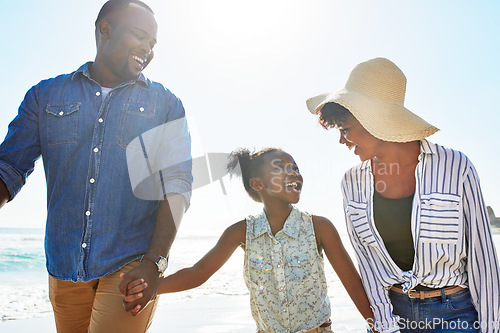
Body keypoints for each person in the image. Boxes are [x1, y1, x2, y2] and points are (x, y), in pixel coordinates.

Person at [0, 1, 192, 332]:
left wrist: (154, 262)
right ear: (105, 29)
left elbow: (176, 185)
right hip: (64, 265)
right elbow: (9, 168)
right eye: (140, 35)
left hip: (131, 263)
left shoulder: (166, 104)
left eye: (153, 43)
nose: (147, 49)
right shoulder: (44, 96)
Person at [306, 57, 500, 333]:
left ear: (373, 119)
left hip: (457, 316)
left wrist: (492, 328)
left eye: (345, 129)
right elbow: (368, 264)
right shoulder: (351, 182)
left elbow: (483, 258)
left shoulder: (456, 167)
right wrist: (384, 326)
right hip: (394, 316)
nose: (341, 140)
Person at [121, 147, 376, 332]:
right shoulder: (240, 232)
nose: (294, 174)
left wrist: (376, 326)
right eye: (281, 168)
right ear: (257, 183)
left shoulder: (319, 227)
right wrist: (151, 288)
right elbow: (198, 273)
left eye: (295, 168)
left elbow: (352, 282)